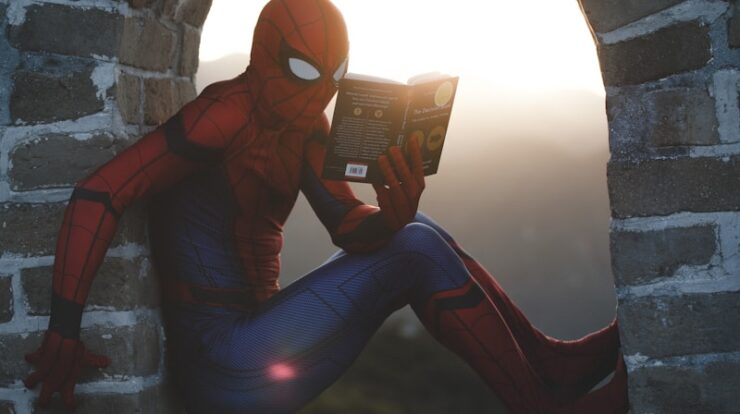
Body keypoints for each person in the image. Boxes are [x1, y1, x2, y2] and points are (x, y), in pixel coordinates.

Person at [22, 0, 627, 412]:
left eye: (333, 76)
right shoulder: (224, 114)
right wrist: (63, 330)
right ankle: (544, 405)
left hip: (269, 339)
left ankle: (551, 362)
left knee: (417, 230)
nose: (319, 91)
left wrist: (392, 210)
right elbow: (101, 191)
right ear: (266, 55)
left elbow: (348, 226)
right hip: (219, 361)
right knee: (415, 246)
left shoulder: (306, 123)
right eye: (303, 70)